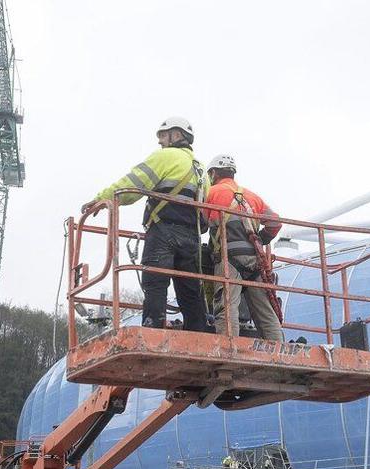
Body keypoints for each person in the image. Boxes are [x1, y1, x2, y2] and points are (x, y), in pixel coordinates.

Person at [90, 116, 208, 331]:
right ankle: (199, 332)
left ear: (177, 135)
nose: (160, 141)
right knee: (189, 288)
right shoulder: (201, 169)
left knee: (155, 282)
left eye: (163, 135)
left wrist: (102, 198)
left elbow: (132, 183)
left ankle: (152, 328)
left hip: (164, 232)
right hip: (192, 237)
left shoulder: (166, 157)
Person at [202, 154, 284, 341]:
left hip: (229, 258)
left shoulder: (211, 192)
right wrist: (260, 240)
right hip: (255, 260)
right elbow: (275, 223)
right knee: (266, 313)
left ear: (213, 173)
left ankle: (228, 349)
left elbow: (201, 224)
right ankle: (279, 350)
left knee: (227, 308)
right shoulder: (252, 196)